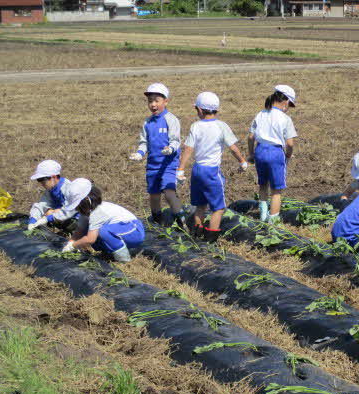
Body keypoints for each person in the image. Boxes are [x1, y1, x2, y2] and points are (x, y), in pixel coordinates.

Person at [177, 91, 247, 242]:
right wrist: (242, 161)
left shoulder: (195, 126)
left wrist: (180, 169)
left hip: (197, 170)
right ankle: (210, 239)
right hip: (211, 172)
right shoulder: (221, 126)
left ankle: (197, 234)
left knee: (200, 206)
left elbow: (188, 149)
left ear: (200, 110)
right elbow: (233, 148)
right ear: (217, 110)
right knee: (218, 208)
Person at [129, 83, 184, 225]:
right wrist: (140, 154)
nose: (153, 104)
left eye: (156, 101)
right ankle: (157, 220)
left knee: (169, 192)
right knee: (154, 195)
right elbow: (144, 143)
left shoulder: (171, 119)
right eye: (150, 101)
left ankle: (181, 221)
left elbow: (176, 140)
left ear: (165, 101)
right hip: (152, 166)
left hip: (168, 165)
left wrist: (170, 149)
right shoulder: (147, 122)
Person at [247, 85, 298, 224]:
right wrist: (288, 155)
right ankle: (273, 222)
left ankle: (263, 215)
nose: (289, 108)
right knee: (276, 190)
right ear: (285, 101)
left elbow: (251, 137)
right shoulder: (285, 118)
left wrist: (251, 154)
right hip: (275, 153)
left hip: (260, 151)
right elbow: (290, 143)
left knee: (263, 184)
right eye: (290, 105)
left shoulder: (261, 114)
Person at [62, 179, 145, 263]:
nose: (76, 208)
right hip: (120, 230)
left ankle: (124, 260)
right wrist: (69, 243)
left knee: (102, 232)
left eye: (77, 205)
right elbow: (80, 231)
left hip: (134, 230)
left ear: (86, 200)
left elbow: (90, 239)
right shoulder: (87, 213)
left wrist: (73, 246)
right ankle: (109, 254)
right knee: (91, 231)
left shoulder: (98, 212)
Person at [27, 159, 77, 231]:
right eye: (39, 180)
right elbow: (41, 205)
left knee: (51, 213)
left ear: (53, 177)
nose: (41, 183)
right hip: (65, 217)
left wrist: (48, 218)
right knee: (50, 212)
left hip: (81, 220)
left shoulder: (68, 188)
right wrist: (33, 220)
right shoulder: (51, 190)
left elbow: (70, 209)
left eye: (43, 180)